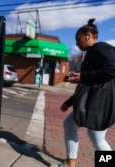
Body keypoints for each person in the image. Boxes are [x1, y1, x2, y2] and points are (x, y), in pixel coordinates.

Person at [60, 18, 115, 167]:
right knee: (71, 125)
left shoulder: (100, 48)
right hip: (93, 103)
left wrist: (84, 76)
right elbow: (86, 85)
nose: (77, 43)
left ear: (87, 36)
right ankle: (70, 162)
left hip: (99, 105)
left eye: (78, 39)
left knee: (97, 138)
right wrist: (69, 102)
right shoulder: (91, 54)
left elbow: (112, 68)